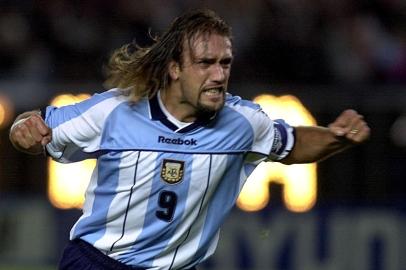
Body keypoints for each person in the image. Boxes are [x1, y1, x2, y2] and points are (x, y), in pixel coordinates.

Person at [9, 9, 370, 270]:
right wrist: (22, 130)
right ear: (174, 68)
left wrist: (337, 137)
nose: (218, 75)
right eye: (206, 63)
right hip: (101, 262)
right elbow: (34, 125)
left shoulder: (242, 123)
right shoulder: (116, 112)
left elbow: (291, 145)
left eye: (225, 63)